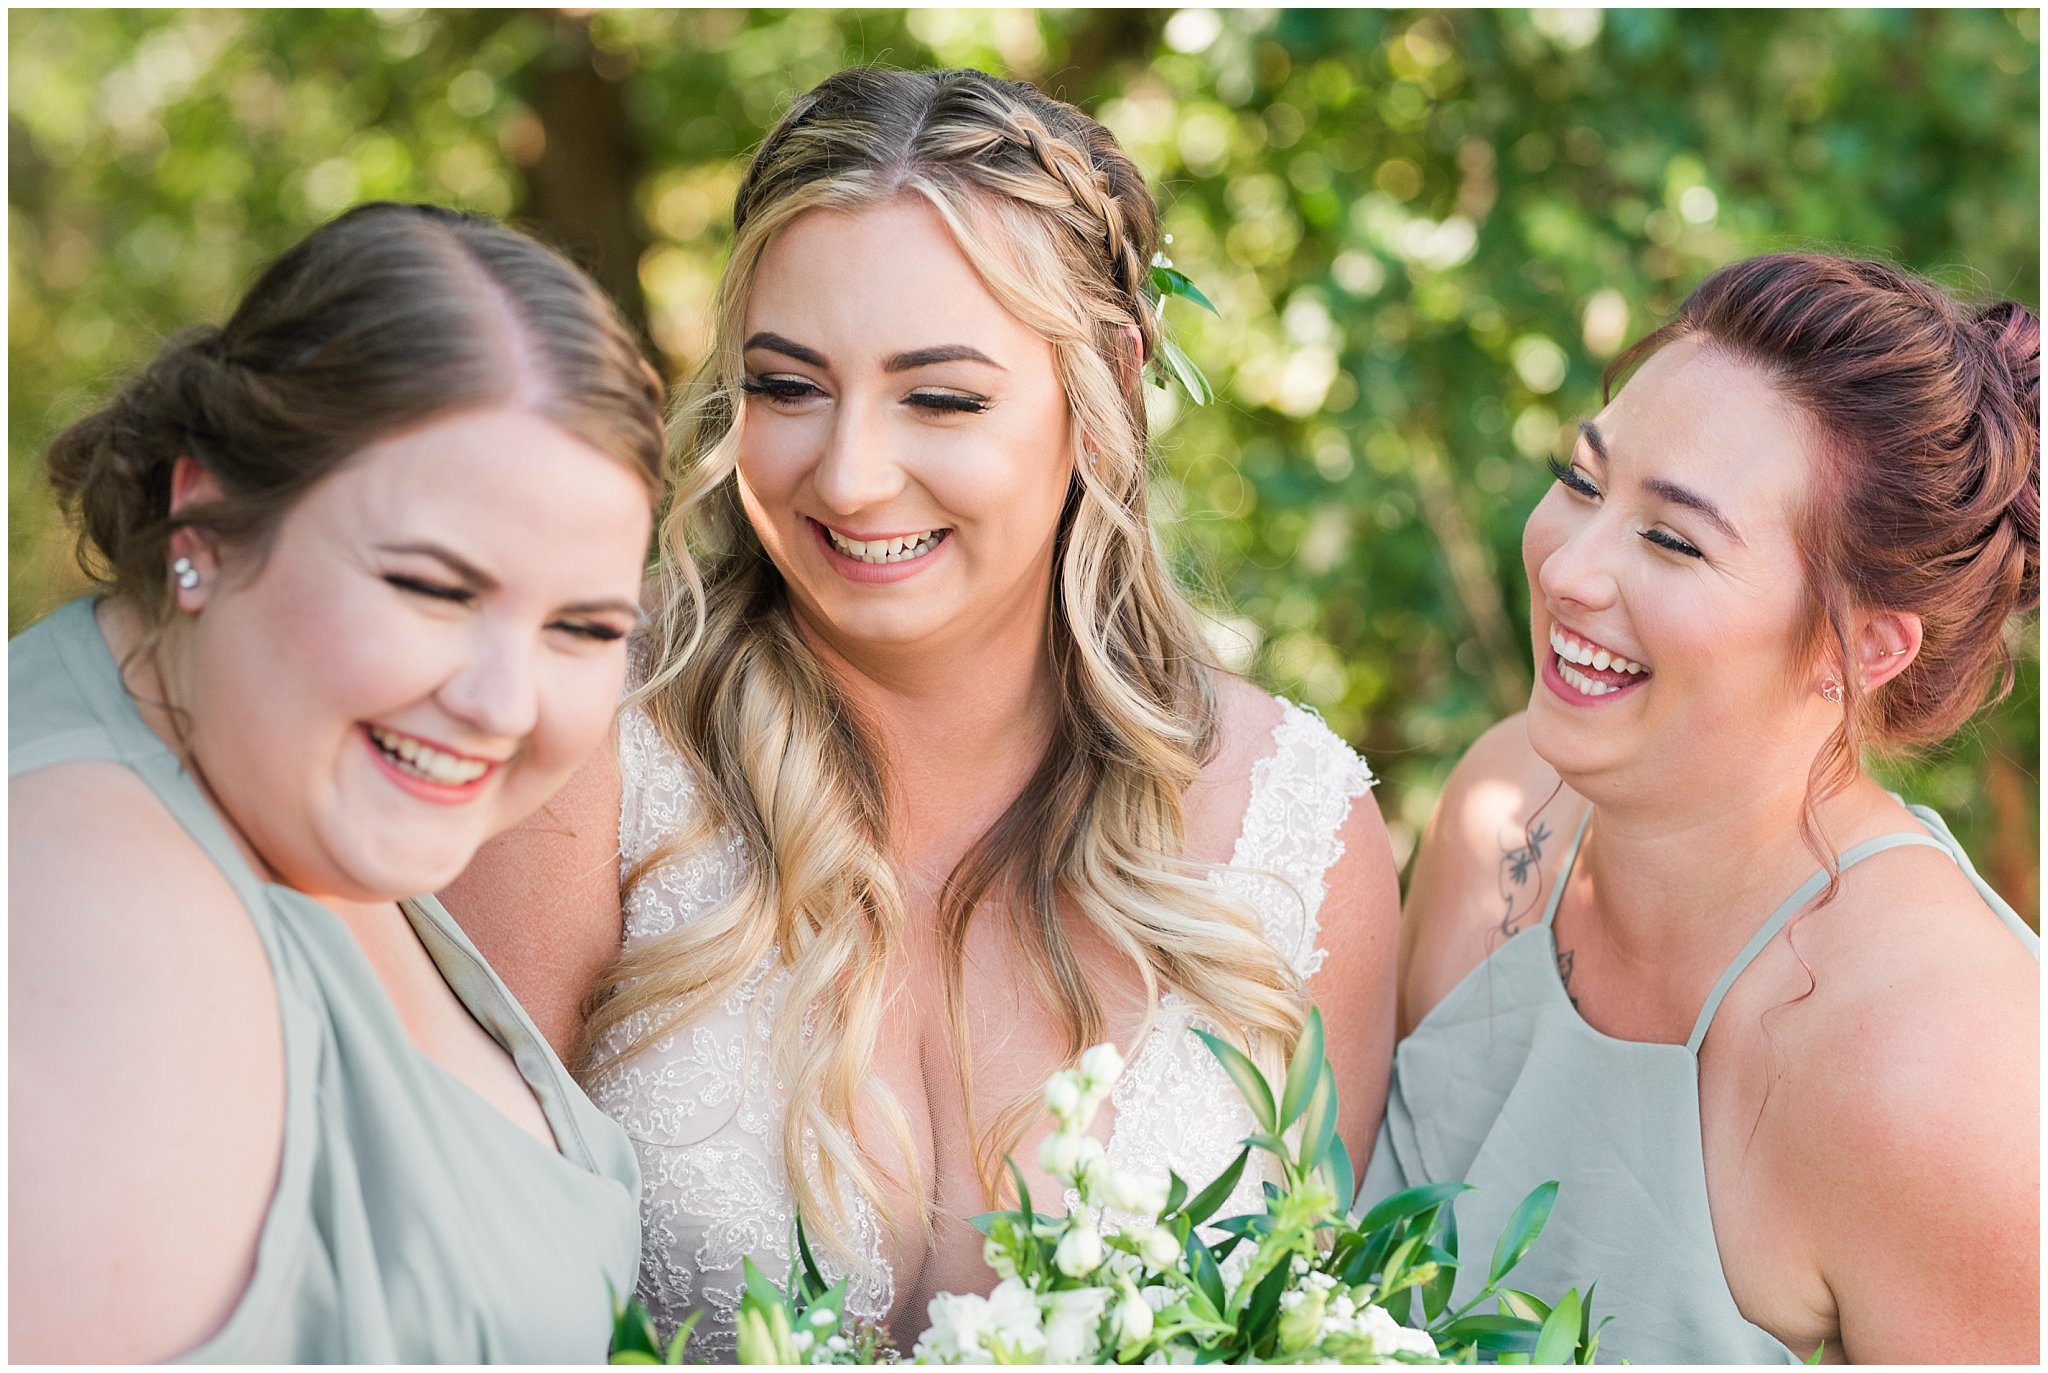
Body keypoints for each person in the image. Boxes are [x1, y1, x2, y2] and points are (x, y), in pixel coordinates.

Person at [445, 67, 1399, 1356]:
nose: (847, 473)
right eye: (787, 387)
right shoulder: (588, 741)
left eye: (939, 397)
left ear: (1103, 385)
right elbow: (452, 1288)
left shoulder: (1297, 824)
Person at [10, 202, 667, 1362]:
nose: (502, 703)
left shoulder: (302, 787)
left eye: (580, 624)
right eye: (432, 587)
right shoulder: (100, 914)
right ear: (201, 517)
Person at [1366, 254, 2039, 1363]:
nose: (1569, 568)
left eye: (1672, 539)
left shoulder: (1950, 1074)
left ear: (1859, 647)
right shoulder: (1508, 804)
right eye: (1581, 482)